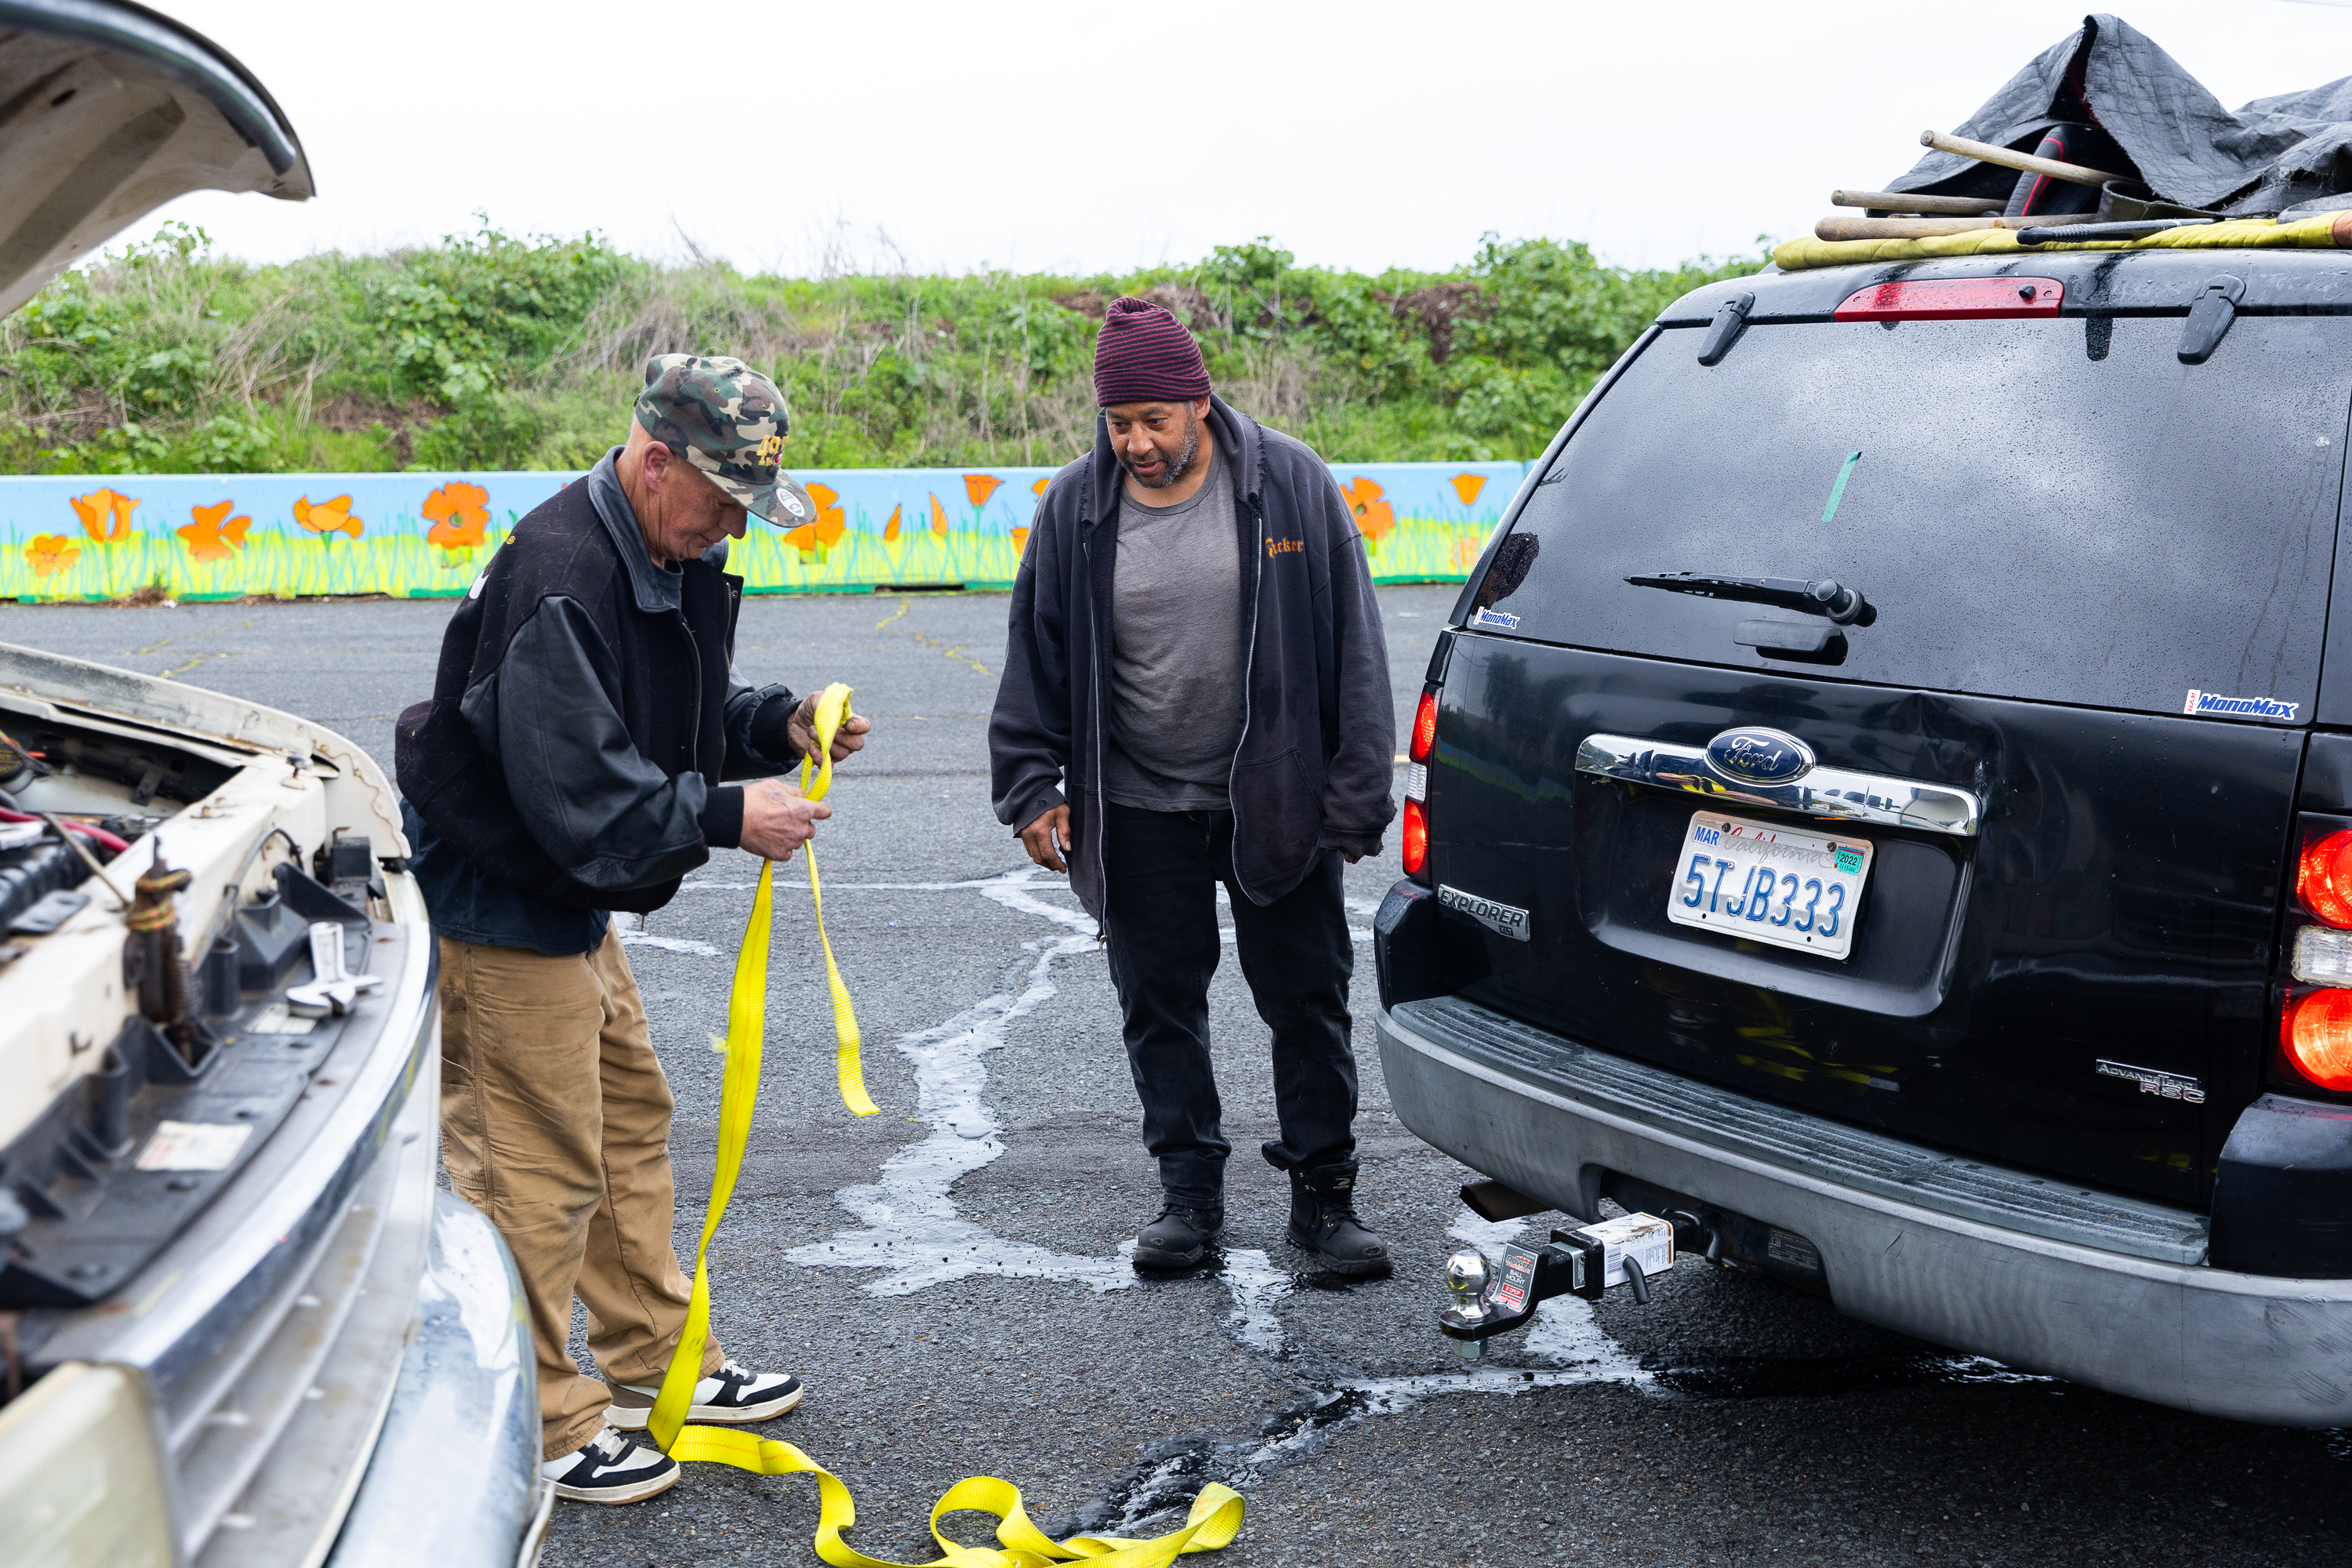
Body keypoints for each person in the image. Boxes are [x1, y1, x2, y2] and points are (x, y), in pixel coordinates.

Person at [394, 354, 871, 1505]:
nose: (729, 530)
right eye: (719, 502)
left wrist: (776, 722)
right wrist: (724, 816)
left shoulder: (647, 545)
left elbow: (668, 711)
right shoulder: (564, 569)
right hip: (504, 897)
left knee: (625, 1118)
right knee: (532, 1164)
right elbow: (586, 792)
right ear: (657, 462)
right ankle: (543, 1419)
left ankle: (658, 1362)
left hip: (560, 891)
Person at [989, 298, 1396, 1278]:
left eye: (1154, 421)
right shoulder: (1077, 505)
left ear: (1200, 403)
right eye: (1119, 423)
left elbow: (1356, 649)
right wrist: (1031, 783)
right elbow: (1035, 654)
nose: (1135, 442)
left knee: (1306, 1000)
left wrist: (1355, 796)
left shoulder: (1289, 484)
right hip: (1135, 805)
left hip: (1279, 798)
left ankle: (1324, 1198)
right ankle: (1189, 1198)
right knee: (1159, 1003)